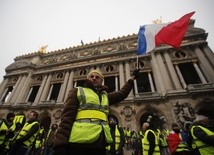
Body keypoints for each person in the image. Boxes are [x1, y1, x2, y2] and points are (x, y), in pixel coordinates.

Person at [53, 69, 139, 155]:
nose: (94, 78)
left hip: (99, 144)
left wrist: (131, 80)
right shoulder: (77, 91)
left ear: (101, 81)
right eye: (92, 76)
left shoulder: (104, 96)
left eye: (97, 77)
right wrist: (60, 145)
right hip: (78, 144)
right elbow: (67, 118)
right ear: (87, 78)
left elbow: (121, 94)